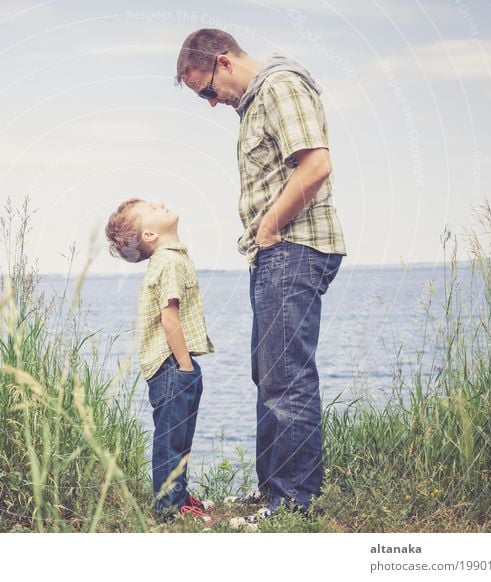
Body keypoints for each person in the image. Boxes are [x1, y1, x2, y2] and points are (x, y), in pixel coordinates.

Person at [175, 29, 347, 524]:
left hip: (293, 248)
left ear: (223, 63)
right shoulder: (254, 104)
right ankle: (274, 493)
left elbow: (315, 166)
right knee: (269, 376)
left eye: (205, 90)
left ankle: (293, 503)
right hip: (275, 254)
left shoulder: (278, 87)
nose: (209, 103)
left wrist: (269, 227)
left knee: (286, 379)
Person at [105, 198, 215, 526]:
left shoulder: (171, 258)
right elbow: (170, 318)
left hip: (172, 364)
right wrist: (185, 365)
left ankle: (177, 497)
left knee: (178, 436)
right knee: (171, 438)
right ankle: (170, 508)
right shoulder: (168, 262)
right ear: (151, 234)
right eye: (154, 208)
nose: (162, 204)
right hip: (171, 365)